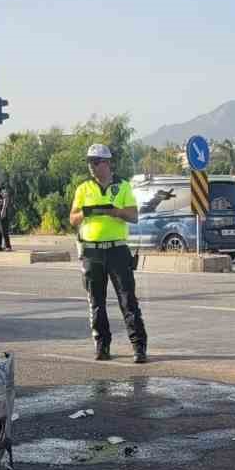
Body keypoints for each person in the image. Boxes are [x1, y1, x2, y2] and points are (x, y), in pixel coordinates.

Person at [70, 144, 148, 363]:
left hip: (117, 250)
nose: (92, 167)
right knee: (96, 302)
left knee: (128, 300)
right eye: (89, 162)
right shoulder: (83, 188)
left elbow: (133, 216)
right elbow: (72, 219)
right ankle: (102, 346)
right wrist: (85, 212)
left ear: (107, 163)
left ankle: (138, 347)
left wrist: (115, 212)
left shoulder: (123, 186)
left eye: (96, 162)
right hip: (92, 251)